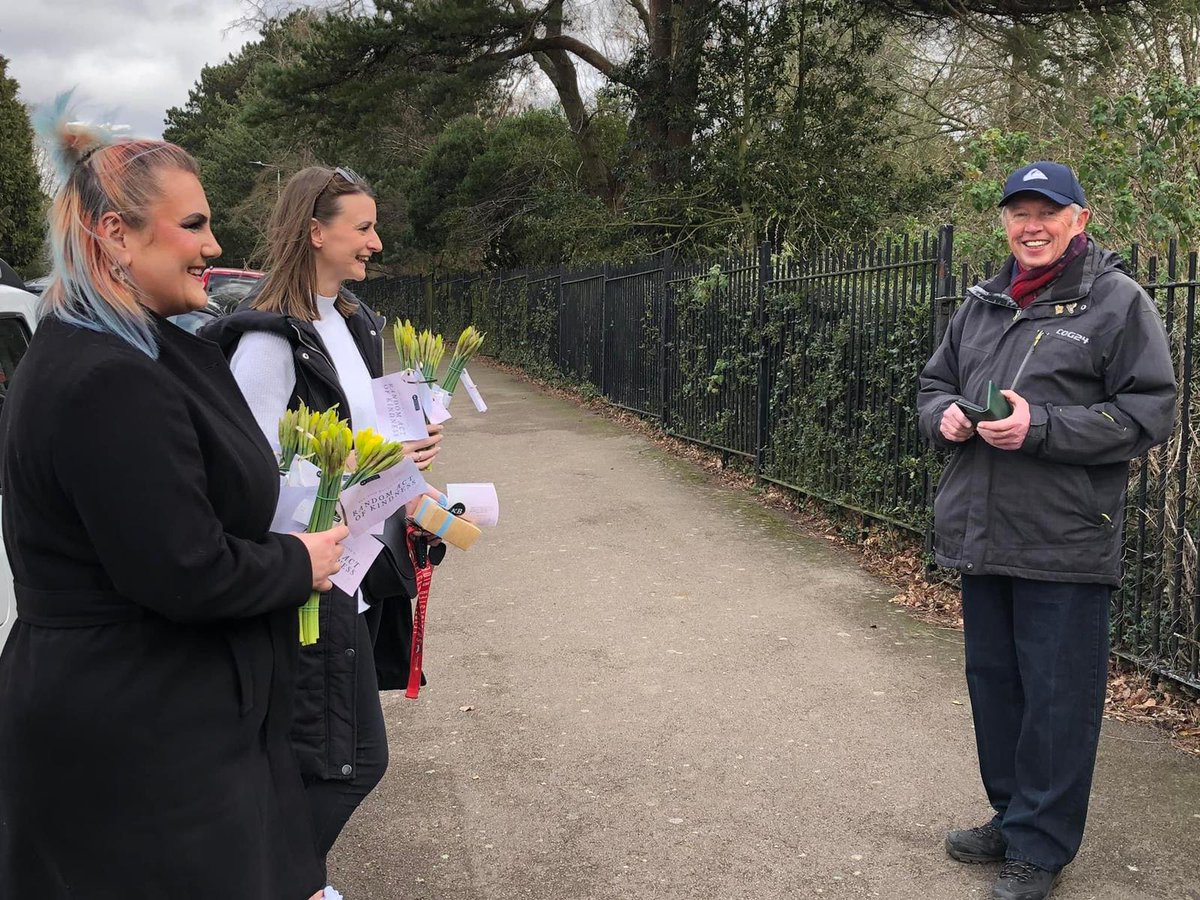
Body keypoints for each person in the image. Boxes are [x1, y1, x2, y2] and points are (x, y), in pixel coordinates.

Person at [0, 110, 348, 899]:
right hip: (139, 730)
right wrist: (298, 560)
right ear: (117, 236)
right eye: (193, 224)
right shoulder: (107, 377)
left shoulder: (118, 348)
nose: (214, 246)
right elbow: (184, 568)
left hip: (141, 710)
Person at [917, 161, 1176, 900]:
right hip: (980, 531)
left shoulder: (1117, 304)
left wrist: (1041, 427)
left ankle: (1042, 847)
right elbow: (934, 384)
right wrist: (947, 416)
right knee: (996, 686)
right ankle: (1013, 815)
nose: (1031, 226)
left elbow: (1147, 413)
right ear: (1004, 222)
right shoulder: (982, 305)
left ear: (1080, 220)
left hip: (1064, 539)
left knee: (1058, 698)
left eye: (1048, 211)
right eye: (1018, 212)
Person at [202, 166, 445, 882]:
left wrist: (412, 452)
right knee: (348, 763)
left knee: (323, 759)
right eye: (362, 227)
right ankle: (280, 880)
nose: (376, 242)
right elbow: (247, 481)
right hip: (310, 586)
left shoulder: (350, 322)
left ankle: (287, 876)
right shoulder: (269, 344)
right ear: (315, 231)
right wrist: (369, 468)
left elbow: (361, 432)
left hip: (360, 576)